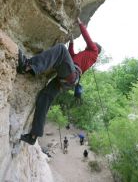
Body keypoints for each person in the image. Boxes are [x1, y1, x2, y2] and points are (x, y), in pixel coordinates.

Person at [17, 17, 102, 145]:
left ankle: (28, 65)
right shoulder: (84, 55)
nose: (90, 44)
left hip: (71, 75)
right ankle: (33, 136)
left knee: (61, 48)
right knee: (44, 98)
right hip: (67, 80)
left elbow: (87, 39)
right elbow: (71, 56)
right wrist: (72, 42)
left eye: (92, 44)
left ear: (96, 48)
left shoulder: (94, 52)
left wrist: (80, 24)